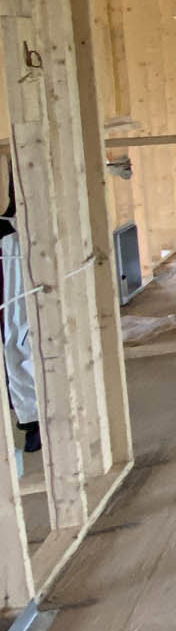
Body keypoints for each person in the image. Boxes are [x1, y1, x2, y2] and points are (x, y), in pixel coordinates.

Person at [0, 167, 39, 455]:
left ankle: (33, 423)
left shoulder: (14, 233)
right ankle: (30, 421)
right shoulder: (8, 232)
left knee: (17, 349)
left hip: (17, 303)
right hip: (12, 302)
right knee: (16, 351)